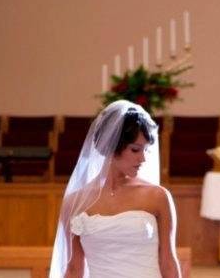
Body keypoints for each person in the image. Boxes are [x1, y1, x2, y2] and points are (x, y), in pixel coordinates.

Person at [50, 100, 181, 278]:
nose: (143, 159)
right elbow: (74, 268)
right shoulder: (75, 202)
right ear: (111, 147)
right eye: (135, 150)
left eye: (146, 150)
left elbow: (168, 262)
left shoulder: (158, 197)